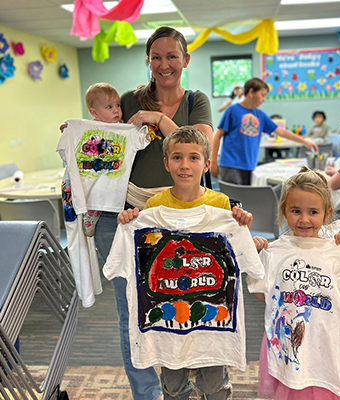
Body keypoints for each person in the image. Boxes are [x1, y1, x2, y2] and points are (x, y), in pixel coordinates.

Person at [93, 27, 213, 400]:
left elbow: (200, 152)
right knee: (132, 315)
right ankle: (147, 394)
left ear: (185, 60)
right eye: (156, 57)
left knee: (184, 305)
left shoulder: (196, 101)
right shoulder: (127, 101)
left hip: (183, 217)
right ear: (148, 60)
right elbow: (102, 138)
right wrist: (81, 133)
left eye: (172, 56)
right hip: (125, 217)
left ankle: (187, 385)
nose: (164, 64)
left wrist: (159, 120)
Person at [115, 126, 259, 400]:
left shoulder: (222, 205)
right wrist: (129, 223)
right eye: (177, 157)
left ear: (206, 164)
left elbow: (240, 252)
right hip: (168, 324)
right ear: (166, 163)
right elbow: (144, 251)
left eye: (193, 158)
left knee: (214, 385)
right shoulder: (154, 206)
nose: (185, 165)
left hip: (214, 321)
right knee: (172, 385)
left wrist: (243, 226)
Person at [248, 166, 340, 400]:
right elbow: (260, 295)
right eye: (296, 211)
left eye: (313, 212)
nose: (304, 219)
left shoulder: (335, 251)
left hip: (329, 338)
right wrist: (258, 258)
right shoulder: (275, 251)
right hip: (291, 342)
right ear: (284, 211)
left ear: (327, 213)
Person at [210, 78, 318, 185]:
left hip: (250, 165)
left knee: (244, 199)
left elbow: (281, 131)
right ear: (251, 92)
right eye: (262, 95)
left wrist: (305, 142)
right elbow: (218, 135)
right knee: (233, 200)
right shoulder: (232, 110)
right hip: (231, 165)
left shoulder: (260, 115)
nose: (264, 99)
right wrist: (213, 162)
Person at [81, 83, 123, 237]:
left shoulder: (123, 126)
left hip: (116, 173)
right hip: (96, 172)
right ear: (94, 112)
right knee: (95, 191)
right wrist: (69, 130)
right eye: (109, 107)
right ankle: (91, 216)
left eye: (117, 105)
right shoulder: (89, 128)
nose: (116, 110)